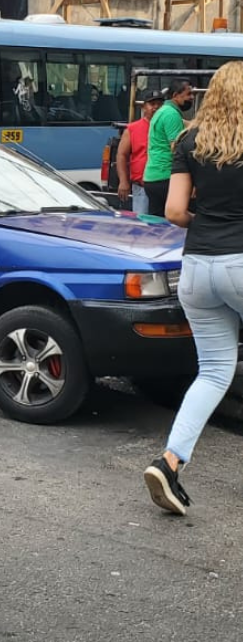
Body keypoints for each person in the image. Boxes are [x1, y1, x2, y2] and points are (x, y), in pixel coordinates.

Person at [143, 62, 243, 516]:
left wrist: (209, 223)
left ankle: (169, 462)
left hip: (198, 267)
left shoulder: (189, 141)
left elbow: (174, 211)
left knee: (214, 373)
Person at [143, 78, 195, 217]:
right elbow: (177, 149)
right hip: (166, 177)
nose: (192, 98)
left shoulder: (163, 111)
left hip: (152, 177)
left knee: (157, 225)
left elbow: (187, 125)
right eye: (188, 94)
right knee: (184, 217)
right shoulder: (171, 114)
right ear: (175, 95)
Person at [114, 89, 164, 214]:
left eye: (159, 104)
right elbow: (121, 155)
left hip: (164, 186)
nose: (156, 107)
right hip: (141, 187)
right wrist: (123, 181)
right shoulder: (132, 129)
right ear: (143, 107)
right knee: (142, 222)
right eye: (152, 104)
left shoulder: (168, 127)